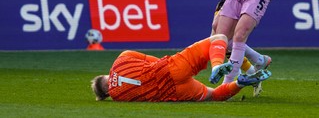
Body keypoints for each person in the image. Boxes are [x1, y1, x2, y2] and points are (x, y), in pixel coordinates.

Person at [90, 34, 271, 102]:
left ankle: (239, 83)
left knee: (214, 95)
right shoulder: (120, 59)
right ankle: (217, 65)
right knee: (219, 38)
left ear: (106, 93)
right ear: (105, 75)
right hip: (169, 69)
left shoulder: (119, 97)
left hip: (172, 92)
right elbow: (153, 59)